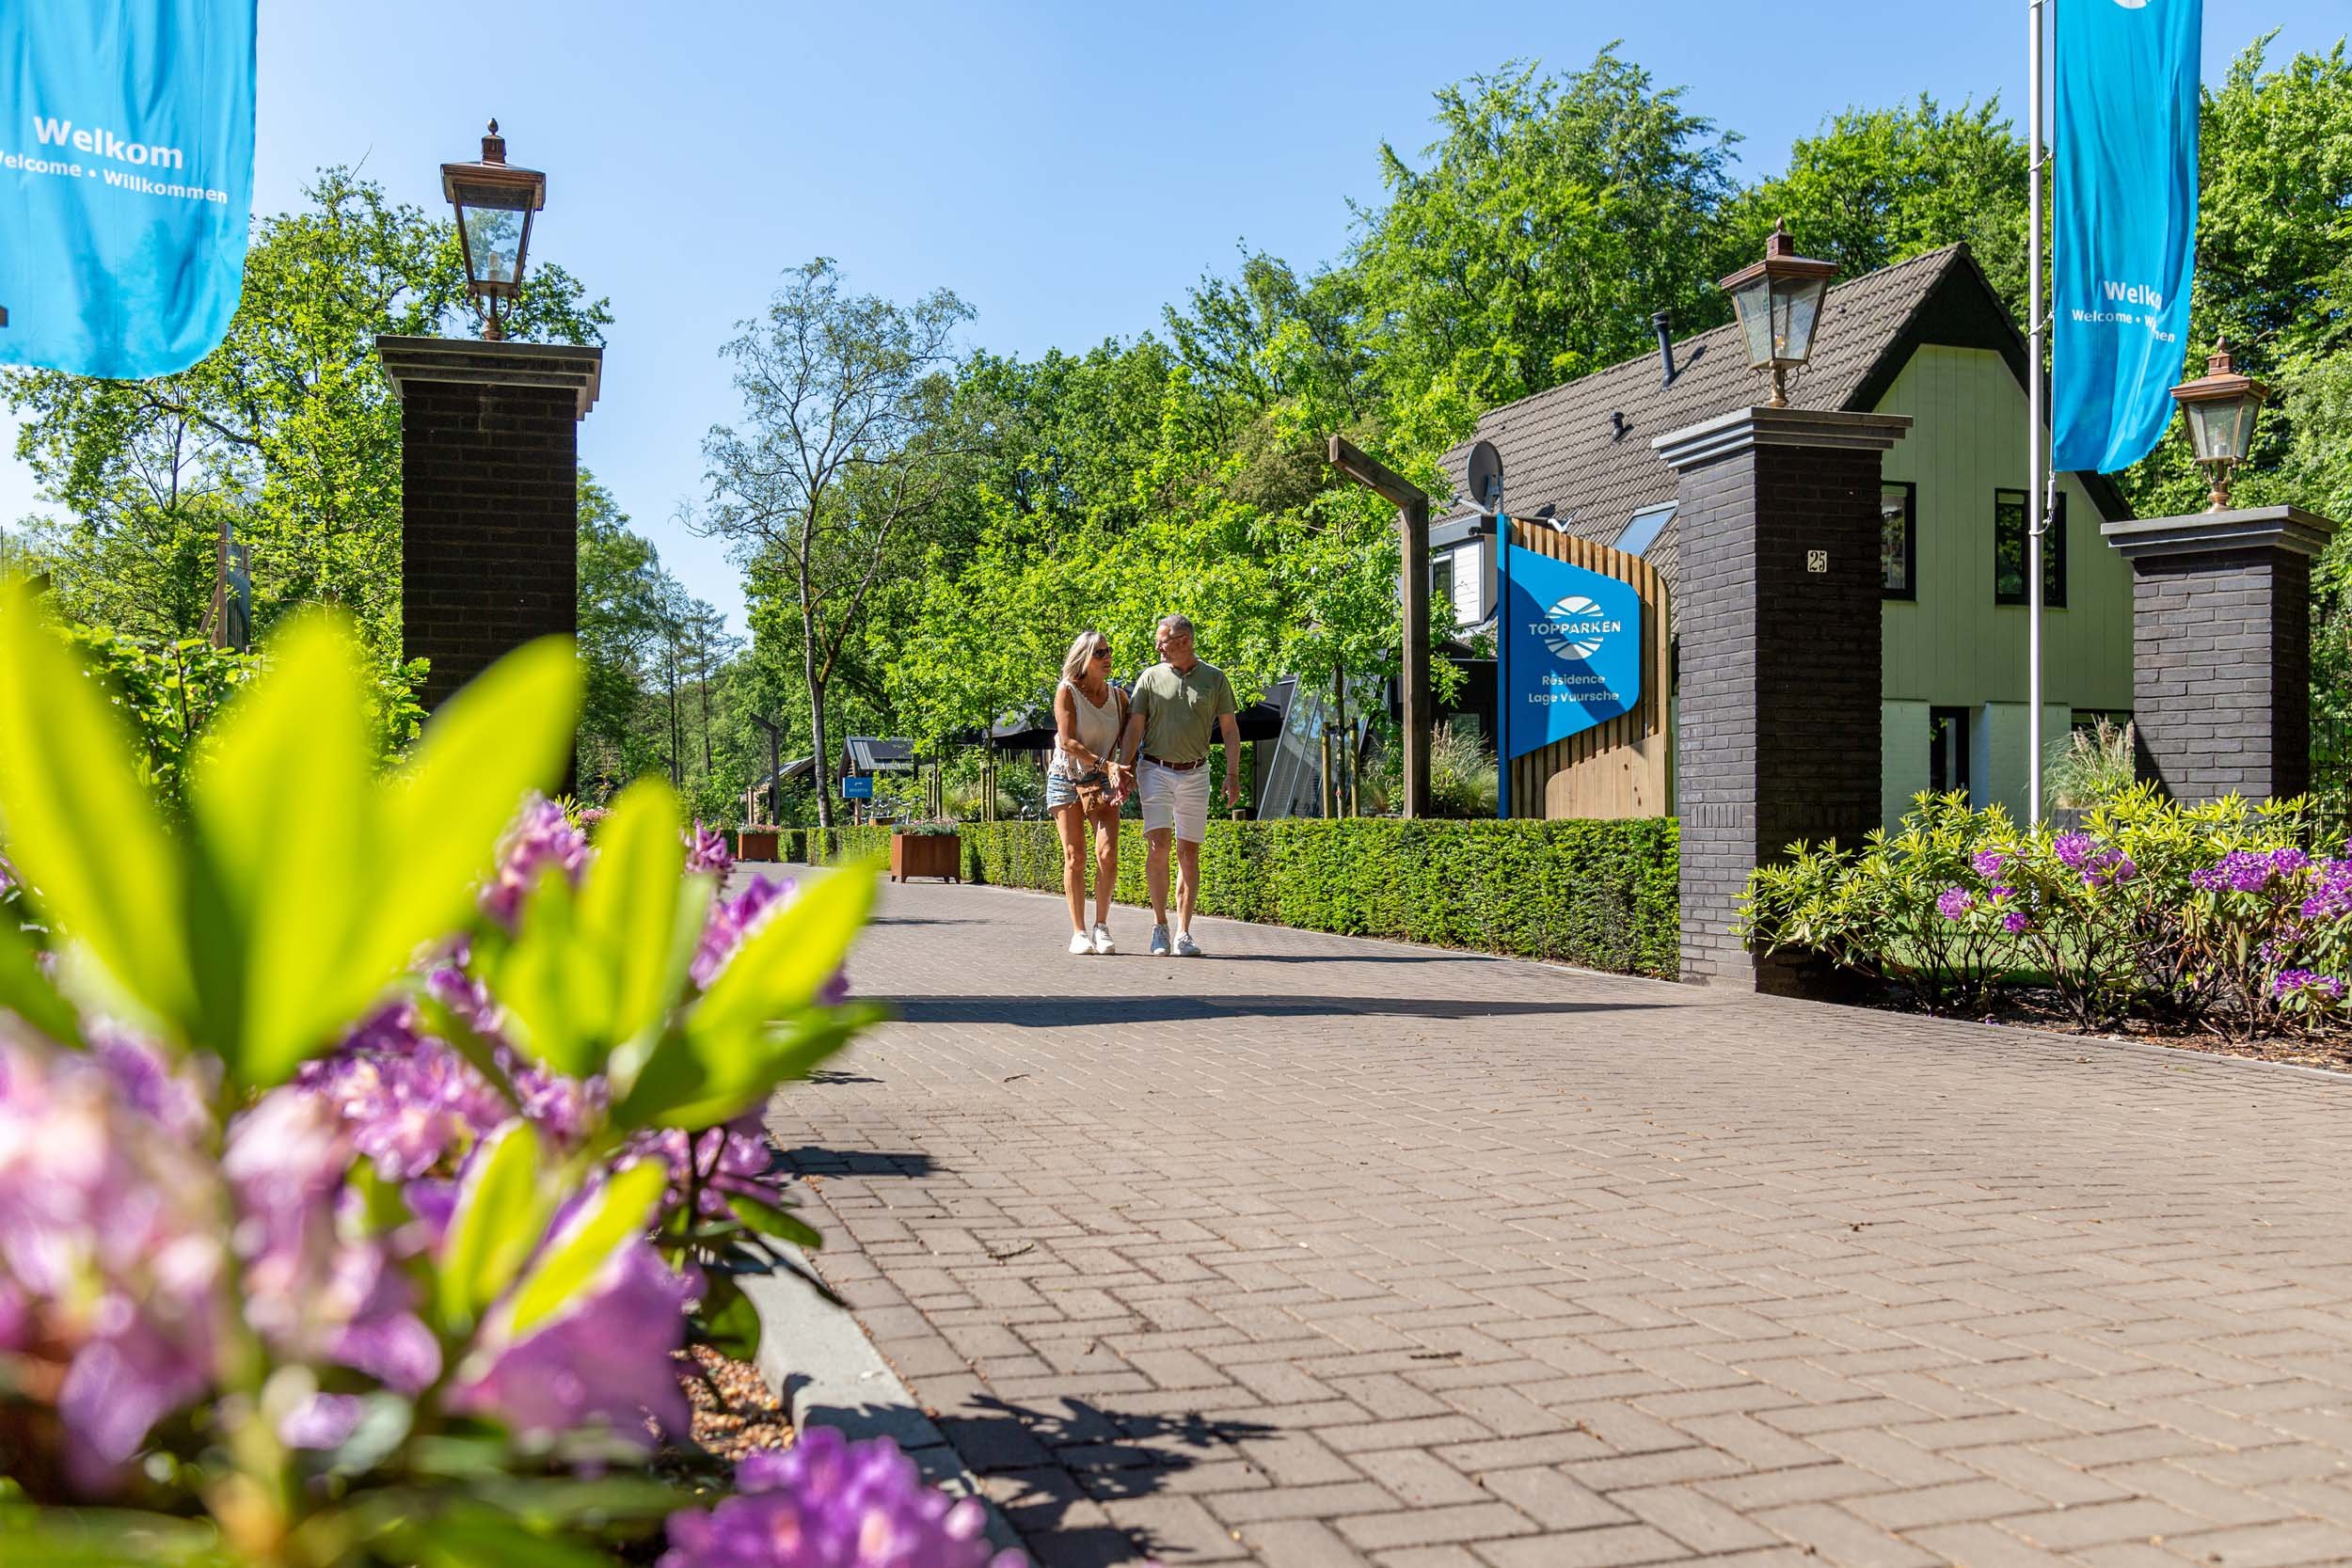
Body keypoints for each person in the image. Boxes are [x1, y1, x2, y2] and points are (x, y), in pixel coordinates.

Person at [1117, 613, 1239, 958]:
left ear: (1184, 641)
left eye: (1163, 641)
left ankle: (1184, 932)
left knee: (1189, 853)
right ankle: (1160, 926)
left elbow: (1229, 730)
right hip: (1155, 767)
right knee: (1158, 845)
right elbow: (1135, 728)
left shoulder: (1215, 679)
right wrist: (1125, 769)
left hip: (1196, 772)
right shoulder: (1150, 678)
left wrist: (1233, 774)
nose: (1158, 646)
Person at [1046, 629, 1130, 955]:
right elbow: (1067, 742)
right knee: (1075, 857)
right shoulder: (1067, 691)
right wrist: (1105, 763)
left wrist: (1126, 769)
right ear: (1083, 658)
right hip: (1067, 777)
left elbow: (1130, 739)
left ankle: (1102, 925)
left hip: (1104, 780)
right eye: (1099, 653)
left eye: (1108, 652)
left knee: (1107, 855)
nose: (1107, 658)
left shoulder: (1119, 698)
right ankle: (1079, 931)